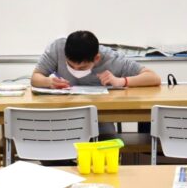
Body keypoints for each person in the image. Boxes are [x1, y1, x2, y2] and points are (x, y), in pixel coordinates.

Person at [32, 30, 160, 135]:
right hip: (63, 111)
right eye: (70, 65)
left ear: (96, 58)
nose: (76, 70)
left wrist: (121, 81)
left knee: (107, 139)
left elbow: (153, 77)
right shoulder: (57, 48)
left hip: (99, 117)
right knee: (51, 139)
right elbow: (35, 78)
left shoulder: (112, 59)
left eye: (82, 68)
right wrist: (48, 81)